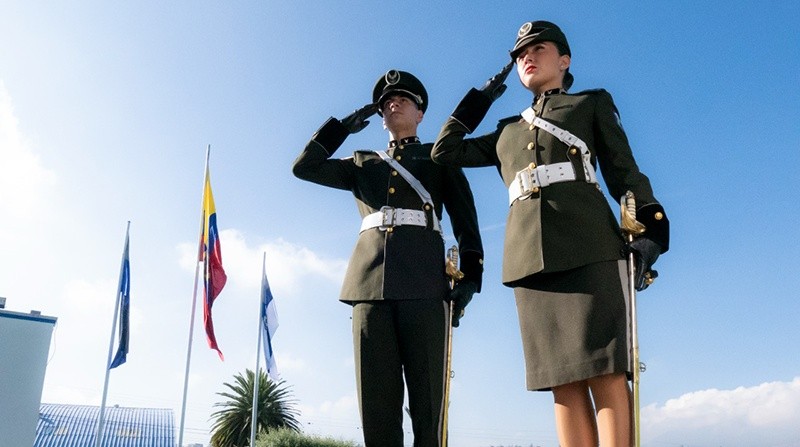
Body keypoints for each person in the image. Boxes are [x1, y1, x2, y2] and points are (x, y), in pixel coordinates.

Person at [431, 21, 669, 447]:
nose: (527, 56)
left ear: (564, 61)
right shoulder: (506, 131)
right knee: (561, 381)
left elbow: (624, 170)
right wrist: (482, 97)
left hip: (590, 245)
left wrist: (650, 230)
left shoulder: (590, 104)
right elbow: (443, 151)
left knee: (605, 369)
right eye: (520, 53)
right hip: (529, 260)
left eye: (538, 48)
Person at [292, 69, 484, 447]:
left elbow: (467, 225)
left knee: (429, 405)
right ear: (380, 117)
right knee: (377, 408)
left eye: (403, 100)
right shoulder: (362, 162)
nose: (393, 104)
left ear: (420, 113)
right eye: (386, 103)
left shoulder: (438, 158)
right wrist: (340, 129)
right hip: (368, 288)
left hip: (426, 286)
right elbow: (304, 167)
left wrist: (471, 281)